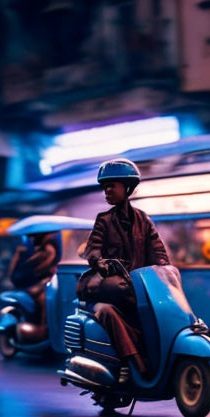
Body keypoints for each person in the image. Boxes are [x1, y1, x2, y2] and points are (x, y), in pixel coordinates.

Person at [77, 158, 170, 376]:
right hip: (110, 291)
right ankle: (134, 361)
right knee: (106, 312)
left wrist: (166, 269)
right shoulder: (103, 220)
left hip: (139, 289)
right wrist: (99, 262)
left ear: (127, 188)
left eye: (112, 185)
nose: (107, 191)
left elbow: (158, 251)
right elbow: (93, 248)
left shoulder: (143, 220)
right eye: (105, 186)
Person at [8, 227, 61, 342]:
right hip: (31, 283)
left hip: (44, 282)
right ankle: (42, 328)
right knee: (43, 297)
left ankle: (45, 328)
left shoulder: (48, 247)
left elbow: (46, 265)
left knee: (46, 297)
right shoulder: (29, 249)